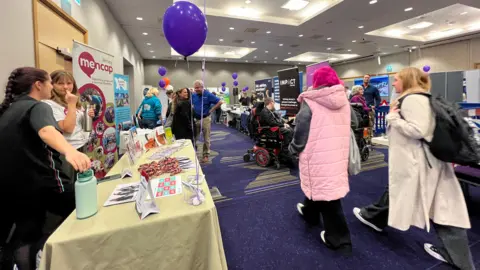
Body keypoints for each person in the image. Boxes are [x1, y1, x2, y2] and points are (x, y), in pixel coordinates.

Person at [352, 67, 474, 270]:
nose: (393, 83)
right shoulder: (420, 98)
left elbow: (419, 130)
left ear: (407, 80)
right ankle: (372, 216)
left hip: (419, 164)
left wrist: (393, 119)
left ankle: (460, 260)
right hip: (422, 163)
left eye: (397, 79)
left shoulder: (412, 100)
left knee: (443, 210)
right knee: (409, 195)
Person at [0, 67, 91, 270]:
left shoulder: (8, 109)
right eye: (51, 82)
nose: (52, 86)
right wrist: (70, 151)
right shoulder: (39, 107)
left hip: (16, 187)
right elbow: (46, 130)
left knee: (27, 236)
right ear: (38, 85)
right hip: (43, 182)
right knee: (84, 204)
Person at [289, 66, 352, 253]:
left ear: (316, 82)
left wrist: (294, 148)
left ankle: (339, 239)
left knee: (328, 194)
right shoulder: (344, 100)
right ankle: (310, 212)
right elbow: (354, 123)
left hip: (316, 153)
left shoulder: (310, 101)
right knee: (324, 185)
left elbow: (301, 130)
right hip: (337, 152)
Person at [43, 70, 94, 182]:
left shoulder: (75, 102)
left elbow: (81, 125)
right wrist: (71, 104)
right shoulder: (49, 104)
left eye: (69, 83)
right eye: (60, 83)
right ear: (52, 85)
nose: (65, 87)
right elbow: (67, 128)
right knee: (69, 184)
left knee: (83, 181)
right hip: (66, 151)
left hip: (81, 146)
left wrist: (88, 116)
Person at [192, 80, 223, 163]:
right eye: (195, 88)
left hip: (205, 119)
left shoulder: (208, 94)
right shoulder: (194, 95)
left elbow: (220, 102)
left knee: (206, 138)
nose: (196, 89)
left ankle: (205, 155)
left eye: (198, 88)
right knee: (194, 137)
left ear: (202, 87)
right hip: (196, 119)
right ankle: (193, 153)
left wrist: (212, 110)